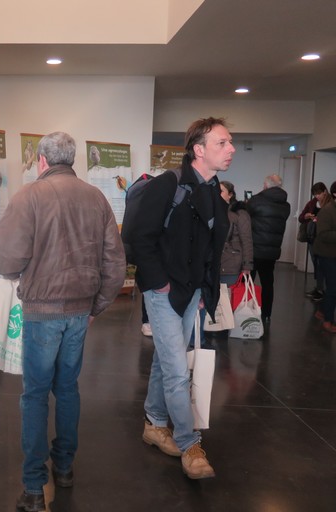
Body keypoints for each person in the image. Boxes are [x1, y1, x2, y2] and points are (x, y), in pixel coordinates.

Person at [0, 131, 126, 512]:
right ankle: (65, 468)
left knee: (35, 395)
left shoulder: (28, 197)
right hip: (79, 313)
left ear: (41, 160)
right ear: (72, 160)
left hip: (41, 312)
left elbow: (6, 263)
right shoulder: (96, 198)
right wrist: (95, 306)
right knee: (67, 389)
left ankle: (34, 488)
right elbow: (115, 264)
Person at [129, 117, 232, 479]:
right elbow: (138, 237)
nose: (231, 149)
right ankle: (191, 445)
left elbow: (210, 247)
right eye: (222, 143)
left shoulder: (214, 189)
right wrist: (159, 284)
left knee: (166, 361)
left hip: (192, 295)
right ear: (198, 150)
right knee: (176, 371)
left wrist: (206, 290)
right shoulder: (167, 185)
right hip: (164, 293)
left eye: (230, 142)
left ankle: (154, 423)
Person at [247, 174, 291, 323]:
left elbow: (245, 215)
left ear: (265, 186)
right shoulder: (285, 205)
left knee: (248, 282)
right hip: (271, 252)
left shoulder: (256, 201)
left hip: (253, 250)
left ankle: (245, 311)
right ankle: (266, 314)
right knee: (268, 283)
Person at [312, 184, 336, 332]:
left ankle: (322, 310)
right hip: (327, 254)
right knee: (333, 287)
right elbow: (323, 235)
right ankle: (328, 320)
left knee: (333, 287)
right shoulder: (327, 211)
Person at [220, 180, 253, 285]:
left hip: (231, 263)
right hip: (214, 264)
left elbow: (247, 240)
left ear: (230, 195)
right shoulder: (214, 211)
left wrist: (247, 265)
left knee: (228, 297)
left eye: (220, 191)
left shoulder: (240, 214)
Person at [299, 182, 328, 302]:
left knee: (324, 265)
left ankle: (325, 290)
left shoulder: (330, 204)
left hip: (324, 239)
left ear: (325, 192)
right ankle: (319, 288)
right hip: (312, 238)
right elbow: (301, 217)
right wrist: (306, 216)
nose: (317, 196)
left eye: (319, 194)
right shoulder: (311, 203)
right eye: (315, 194)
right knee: (316, 264)